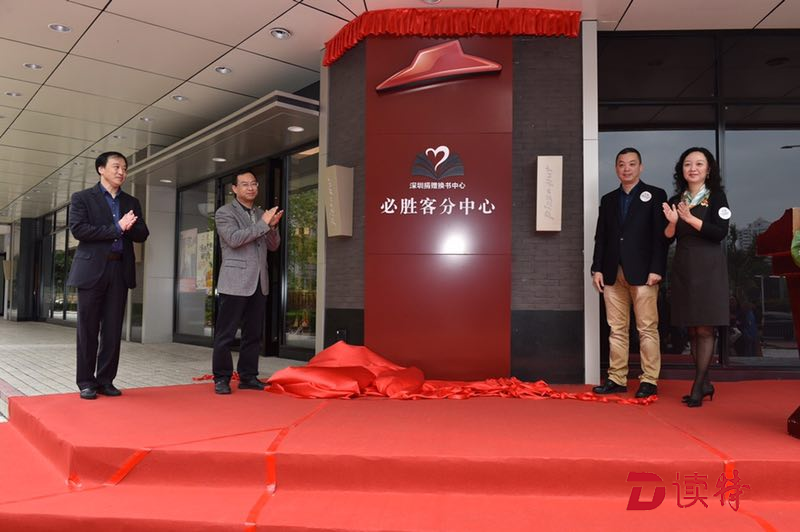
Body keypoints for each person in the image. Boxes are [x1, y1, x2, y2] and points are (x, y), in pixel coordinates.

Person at [67, 151, 149, 400]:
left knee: (113, 330)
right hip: (91, 271)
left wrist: (128, 227)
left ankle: (105, 380)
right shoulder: (82, 198)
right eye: (116, 167)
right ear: (101, 169)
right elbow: (79, 230)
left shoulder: (131, 201)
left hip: (119, 269)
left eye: (124, 168)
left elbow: (142, 233)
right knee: (88, 329)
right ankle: (86, 382)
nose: (121, 172)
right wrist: (117, 228)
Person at [591, 147, 667, 398]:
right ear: (616, 168)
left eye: (632, 164)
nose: (626, 168)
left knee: (647, 328)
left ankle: (649, 380)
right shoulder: (608, 200)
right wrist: (597, 268)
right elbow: (601, 237)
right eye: (621, 164)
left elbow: (660, 237)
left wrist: (657, 268)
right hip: (612, 272)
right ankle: (616, 378)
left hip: (644, 274)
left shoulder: (655, 195)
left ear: (640, 167)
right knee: (617, 329)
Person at [662, 147, 730, 407]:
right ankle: (706, 382)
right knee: (691, 327)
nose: (693, 168)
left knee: (705, 327)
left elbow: (720, 232)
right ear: (681, 170)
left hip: (708, 266)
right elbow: (667, 238)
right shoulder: (676, 198)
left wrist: (690, 218)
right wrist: (672, 221)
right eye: (688, 164)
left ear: (708, 169)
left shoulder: (716, 197)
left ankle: (697, 385)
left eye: (699, 164)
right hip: (684, 265)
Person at [211, 171, 282, 394]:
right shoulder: (224, 213)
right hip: (235, 281)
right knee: (226, 334)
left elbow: (273, 246)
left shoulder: (262, 214)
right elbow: (234, 239)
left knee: (253, 334)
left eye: (253, 184)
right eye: (244, 184)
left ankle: (248, 376)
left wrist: (272, 227)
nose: (250, 188)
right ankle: (221, 378)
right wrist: (263, 224)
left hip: (259, 281)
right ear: (235, 188)